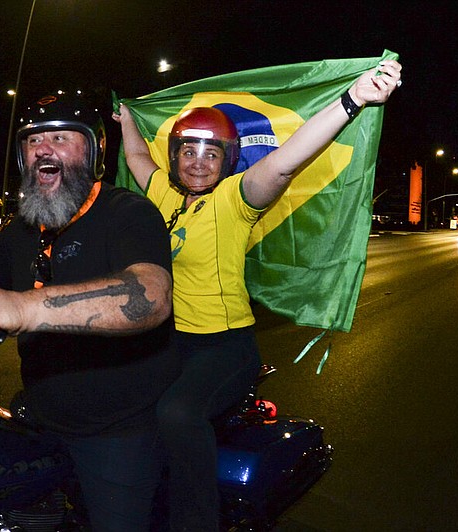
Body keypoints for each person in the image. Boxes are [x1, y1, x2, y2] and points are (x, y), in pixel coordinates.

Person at [113, 59, 402, 531]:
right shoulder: (162, 195)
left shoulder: (236, 198)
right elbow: (136, 159)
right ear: (176, 155)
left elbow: (288, 158)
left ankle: (197, 522)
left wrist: (354, 100)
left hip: (224, 346)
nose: (199, 161)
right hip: (169, 343)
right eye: (189, 150)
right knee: (114, 403)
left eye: (212, 153)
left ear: (227, 159)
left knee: (179, 412)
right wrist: (127, 119)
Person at [0, 91, 180, 531]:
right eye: (33, 142)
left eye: (62, 138)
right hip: (40, 414)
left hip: (116, 430)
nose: (43, 150)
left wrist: (21, 307)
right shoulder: (22, 229)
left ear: (94, 152)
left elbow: (150, 295)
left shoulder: (128, 213)